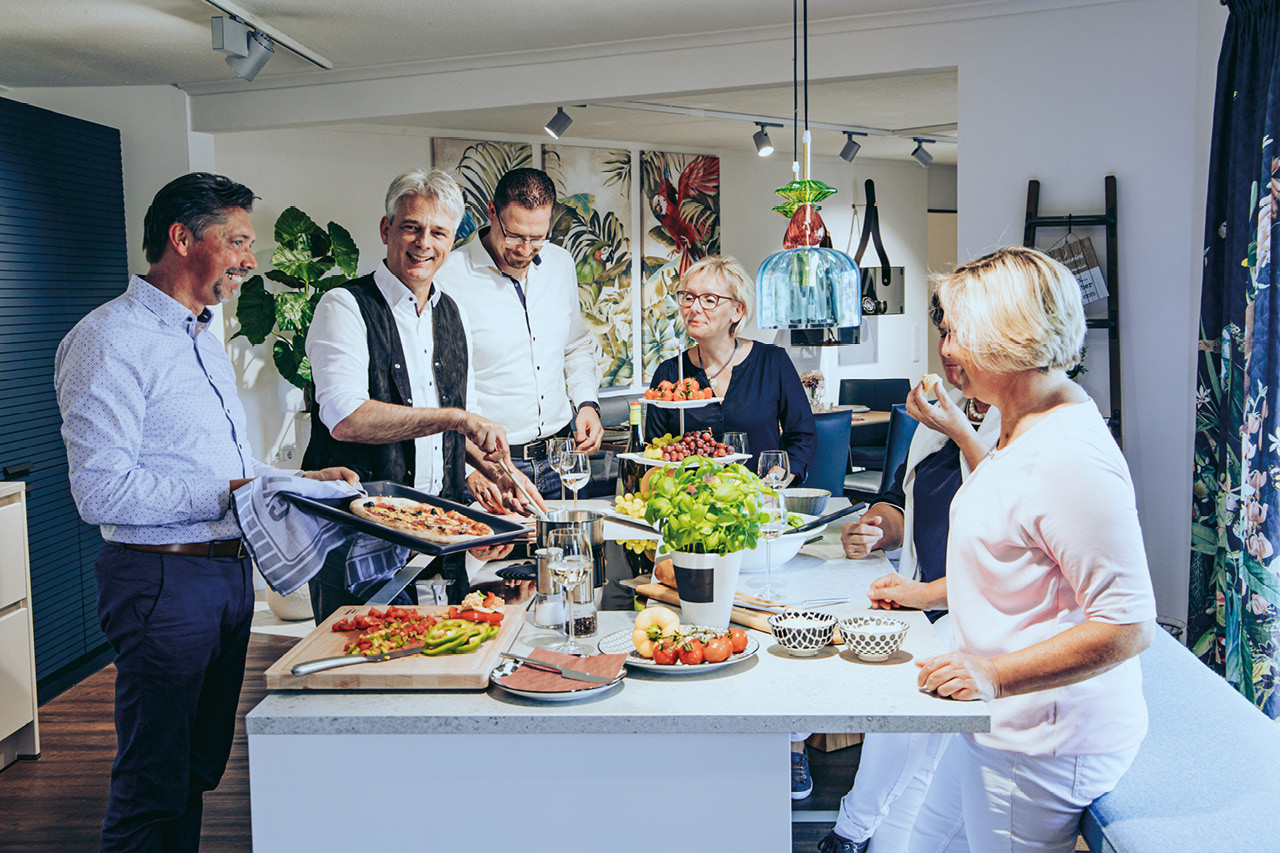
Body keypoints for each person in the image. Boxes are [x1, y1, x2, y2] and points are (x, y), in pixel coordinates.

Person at [53, 172, 359, 852]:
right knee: (151, 783)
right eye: (238, 240)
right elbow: (100, 491)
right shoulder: (109, 339)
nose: (251, 258)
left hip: (222, 580)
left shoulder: (200, 333)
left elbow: (212, 468)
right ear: (181, 237)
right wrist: (237, 490)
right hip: (161, 583)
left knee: (192, 773)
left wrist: (295, 479)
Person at [871, 247, 1156, 853]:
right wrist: (959, 428)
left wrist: (992, 675)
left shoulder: (1072, 458)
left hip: (1042, 743)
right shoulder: (1021, 420)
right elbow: (1006, 520)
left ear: (1011, 337)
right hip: (995, 721)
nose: (945, 348)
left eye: (956, 332)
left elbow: (1129, 627)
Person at [817, 296, 1001, 853]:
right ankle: (856, 836)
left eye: (959, 334)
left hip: (979, 614)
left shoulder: (1011, 421)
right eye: (942, 332)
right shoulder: (945, 409)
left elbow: (1003, 530)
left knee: (911, 713)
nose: (945, 348)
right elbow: (904, 500)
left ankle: (850, 832)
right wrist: (878, 528)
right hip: (929, 602)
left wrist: (923, 593)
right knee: (916, 751)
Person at [304, 167, 523, 621]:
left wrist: (497, 481)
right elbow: (346, 417)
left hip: (439, 537)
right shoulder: (344, 306)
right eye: (411, 227)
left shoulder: (450, 312)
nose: (424, 242)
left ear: (450, 240)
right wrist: (456, 419)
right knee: (362, 676)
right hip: (358, 543)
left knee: (446, 666)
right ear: (387, 230)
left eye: (438, 232)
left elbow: (459, 431)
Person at [436, 167, 603, 500]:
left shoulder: (561, 264)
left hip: (562, 459)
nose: (526, 249)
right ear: (491, 212)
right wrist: (471, 468)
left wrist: (587, 404)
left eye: (538, 237)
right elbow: (438, 384)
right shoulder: (447, 278)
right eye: (514, 235)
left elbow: (576, 345)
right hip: (493, 466)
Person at [644, 255, 816, 482]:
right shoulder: (668, 375)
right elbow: (655, 452)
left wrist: (776, 478)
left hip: (761, 502)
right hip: (691, 506)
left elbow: (803, 437)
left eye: (709, 299)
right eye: (688, 297)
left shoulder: (772, 362)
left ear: (737, 311)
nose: (694, 308)